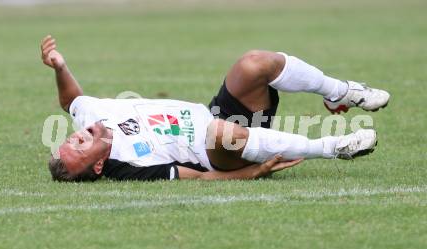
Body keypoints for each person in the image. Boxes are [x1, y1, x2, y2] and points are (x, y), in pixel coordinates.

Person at [41, 35, 389, 182]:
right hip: (217, 152)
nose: (77, 137)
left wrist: (59, 67)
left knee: (254, 63)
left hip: (214, 115)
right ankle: (335, 148)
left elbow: (70, 101)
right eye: (81, 147)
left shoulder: (91, 117)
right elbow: (200, 177)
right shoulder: (127, 165)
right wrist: (249, 174)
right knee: (222, 132)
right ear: (99, 164)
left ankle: (341, 92)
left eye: (72, 140)